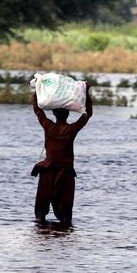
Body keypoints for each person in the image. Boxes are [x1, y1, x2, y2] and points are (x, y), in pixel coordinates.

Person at [31, 83, 93, 226]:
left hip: (48, 172)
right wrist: (87, 92)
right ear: (68, 114)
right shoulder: (71, 129)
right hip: (65, 174)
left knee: (40, 211)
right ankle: (64, 237)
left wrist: (37, 89)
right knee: (65, 213)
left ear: (54, 114)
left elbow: (37, 109)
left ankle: (42, 233)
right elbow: (88, 114)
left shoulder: (49, 127)